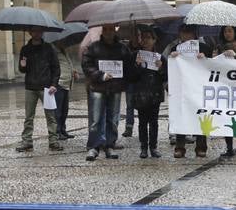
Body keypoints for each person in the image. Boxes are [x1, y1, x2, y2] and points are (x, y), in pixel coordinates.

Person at [81, 23, 131, 161]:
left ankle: (110, 144)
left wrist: (123, 80)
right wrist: (100, 75)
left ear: (114, 31)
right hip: (98, 87)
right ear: (102, 31)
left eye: (111, 29)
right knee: (95, 119)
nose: (108, 32)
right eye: (106, 29)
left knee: (113, 119)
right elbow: (86, 64)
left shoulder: (122, 48)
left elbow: (128, 66)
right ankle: (94, 146)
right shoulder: (93, 47)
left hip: (115, 87)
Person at [16, 26, 61, 153]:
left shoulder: (49, 48)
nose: (37, 33)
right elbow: (22, 69)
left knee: (50, 116)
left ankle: (53, 141)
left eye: (39, 31)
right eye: (35, 31)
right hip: (30, 87)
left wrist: (54, 84)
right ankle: (27, 141)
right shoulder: (25, 49)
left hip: (46, 87)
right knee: (29, 116)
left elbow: (56, 68)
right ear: (30, 32)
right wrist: (22, 66)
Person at [167, 25, 209, 159]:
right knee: (181, 115)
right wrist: (172, 58)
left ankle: (201, 147)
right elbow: (170, 68)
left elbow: (212, 66)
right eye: (183, 33)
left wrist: (205, 58)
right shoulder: (175, 49)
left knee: (201, 116)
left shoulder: (204, 48)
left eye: (189, 33)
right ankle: (180, 147)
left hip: (199, 87)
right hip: (181, 88)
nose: (186, 36)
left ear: (194, 34)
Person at [214, 25, 236, 157]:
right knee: (225, 118)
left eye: (230, 31)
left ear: (235, 33)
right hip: (224, 88)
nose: (227, 34)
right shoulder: (219, 47)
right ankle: (229, 147)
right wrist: (215, 57)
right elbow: (213, 65)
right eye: (225, 31)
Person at [131, 28, 164, 159]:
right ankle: (144, 147)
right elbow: (131, 77)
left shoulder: (160, 57)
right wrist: (137, 66)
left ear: (154, 40)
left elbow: (166, 76)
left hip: (155, 94)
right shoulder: (135, 56)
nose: (145, 40)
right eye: (143, 37)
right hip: (141, 94)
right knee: (142, 122)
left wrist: (161, 68)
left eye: (148, 37)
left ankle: (153, 147)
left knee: (154, 122)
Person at [54, 40, 80, 140]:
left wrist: (74, 71)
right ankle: (57, 132)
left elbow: (67, 64)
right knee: (58, 110)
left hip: (67, 84)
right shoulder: (54, 52)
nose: (64, 43)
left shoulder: (64, 51)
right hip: (59, 83)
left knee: (64, 110)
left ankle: (63, 130)